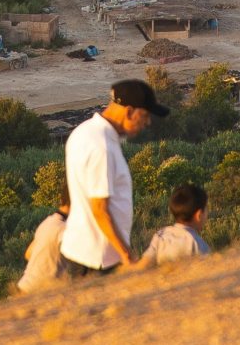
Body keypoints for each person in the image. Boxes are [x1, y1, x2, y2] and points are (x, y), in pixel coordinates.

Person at [59, 80, 162, 277]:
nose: (147, 123)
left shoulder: (83, 131)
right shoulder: (102, 147)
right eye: (145, 115)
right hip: (98, 259)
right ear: (129, 111)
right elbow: (99, 209)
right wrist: (126, 256)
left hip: (80, 248)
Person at [141, 183, 211, 266]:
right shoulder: (197, 243)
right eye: (206, 209)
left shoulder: (161, 235)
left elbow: (144, 264)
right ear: (199, 215)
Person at [17, 195, 70, 293]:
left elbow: (28, 253)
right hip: (39, 291)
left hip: (24, 285)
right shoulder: (65, 229)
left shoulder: (47, 222)